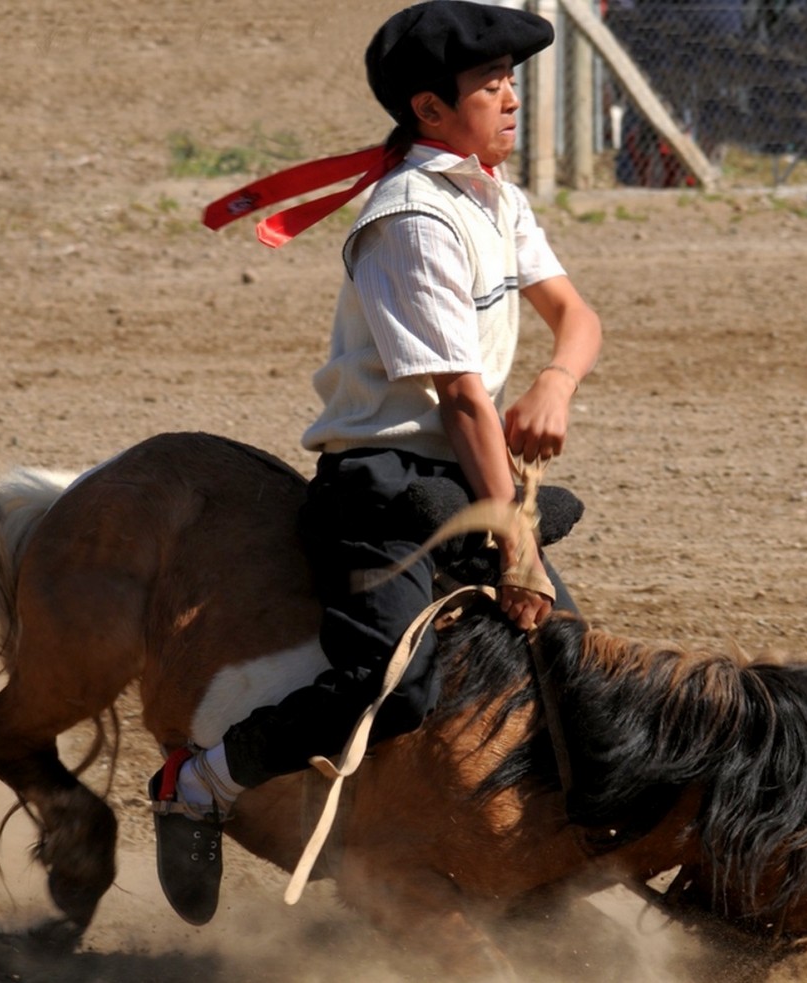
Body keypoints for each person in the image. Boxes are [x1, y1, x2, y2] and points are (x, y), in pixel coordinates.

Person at [150, 0, 603, 926]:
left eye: (512, 81)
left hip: (467, 477)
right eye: (491, 86)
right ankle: (199, 782)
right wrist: (514, 544)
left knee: (566, 658)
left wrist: (555, 382)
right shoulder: (409, 218)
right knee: (386, 686)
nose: (513, 99)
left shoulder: (495, 196)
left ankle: (509, 858)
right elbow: (464, 398)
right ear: (431, 110)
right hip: (385, 485)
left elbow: (579, 317)